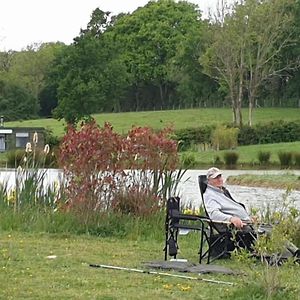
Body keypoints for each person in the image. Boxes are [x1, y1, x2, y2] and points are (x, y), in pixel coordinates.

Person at [202, 167, 300, 260]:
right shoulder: (210, 195)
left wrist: (248, 217)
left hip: (246, 221)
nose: (220, 179)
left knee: (271, 226)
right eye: (216, 178)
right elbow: (213, 214)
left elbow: (233, 209)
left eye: (220, 176)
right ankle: (291, 255)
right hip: (233, 226)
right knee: (268, 231)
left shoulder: (222, 191)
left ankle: (294, 252)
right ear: (209, 181)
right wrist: (231, 219)